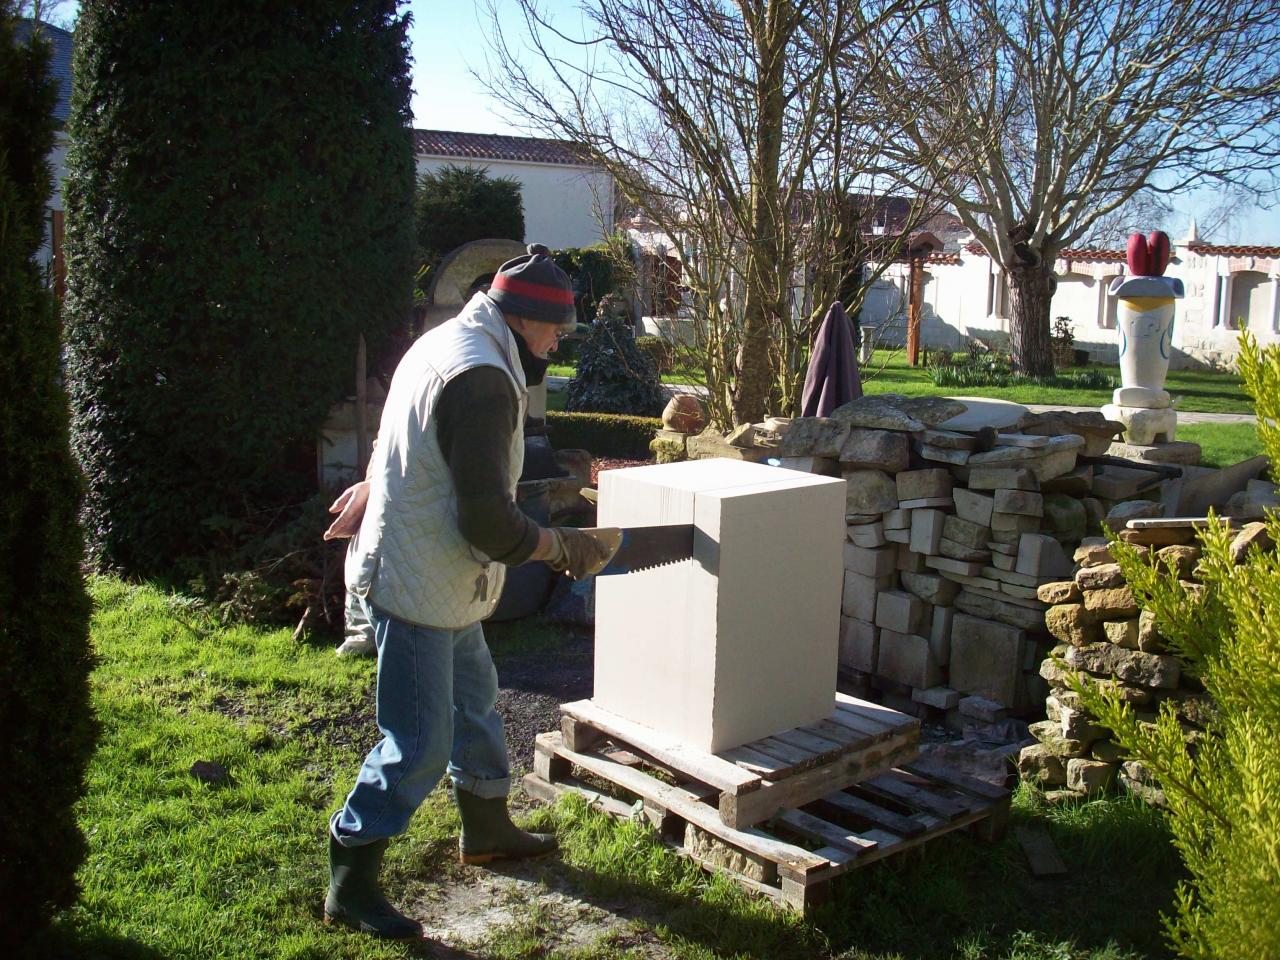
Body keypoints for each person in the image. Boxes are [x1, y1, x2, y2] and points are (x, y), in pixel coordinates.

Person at [320, 246, 615, 939]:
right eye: (554, 330)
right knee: (419, 742)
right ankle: (351, 873)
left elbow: (407, 431)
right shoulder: (483, 377)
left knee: (476, 704)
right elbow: (486, 519)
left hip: (442, 571)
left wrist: (376, 483)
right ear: (524, 319)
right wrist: (557, 547)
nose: (556, 342)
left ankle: (486, 829)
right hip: (424, 578)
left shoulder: (449, 339)